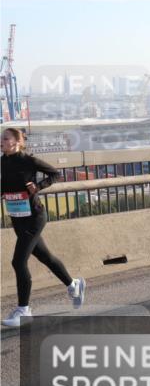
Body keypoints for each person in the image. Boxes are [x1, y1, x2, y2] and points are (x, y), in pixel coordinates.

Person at [2, 128, 86, 328]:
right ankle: (74, 285)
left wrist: (38, 187)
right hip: (17, 217)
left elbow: (55, 174)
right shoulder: (3, 162)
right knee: (45, 257)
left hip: (34, 218)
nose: (1, 141)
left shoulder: (29, 160)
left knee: (18, 262)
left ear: (17, 142)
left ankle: (24, 310)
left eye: (5, 138)